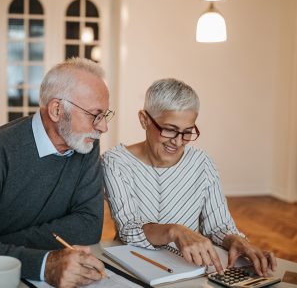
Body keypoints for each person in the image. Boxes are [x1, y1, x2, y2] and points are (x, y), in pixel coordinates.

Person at [0, 57, 115, 287]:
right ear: (57, 110)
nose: (103, 127)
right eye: (94, 115)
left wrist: (0, 244)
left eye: (105, 115)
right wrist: (43, 263)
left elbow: (88, 226)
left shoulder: (86, 145)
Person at [102, 78, 277, 277]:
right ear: (144, 119)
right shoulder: (116, 162)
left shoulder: (202, 163)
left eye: (187, 132)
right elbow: (128, 229)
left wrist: (236, 241)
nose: (178, 142)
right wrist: (174, 231)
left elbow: (218, 226)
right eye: (169, 129)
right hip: (135, 267)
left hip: (190, 268)